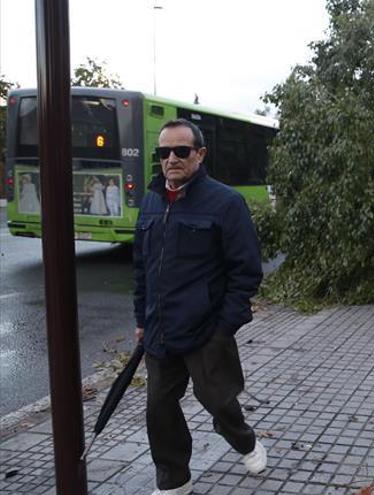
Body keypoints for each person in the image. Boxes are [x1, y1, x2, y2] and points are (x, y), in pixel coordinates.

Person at [133, 118, 266, 495]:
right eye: (164, 152)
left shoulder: (226, 203)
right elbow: (142, 267)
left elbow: (247, 272)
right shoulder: (152, 200)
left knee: (219, 402)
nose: (171, 158)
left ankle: (245, 441)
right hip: (161, 329)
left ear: (200, 154)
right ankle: (174, 480)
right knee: (159, 409)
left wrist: (224, 327)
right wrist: (141, 318)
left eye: (181, 150)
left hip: (206, 330)